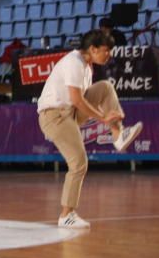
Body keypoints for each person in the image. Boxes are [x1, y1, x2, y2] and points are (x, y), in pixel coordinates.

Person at [38, 29, 143, 229]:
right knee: (78, 162)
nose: (109, 54)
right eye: (106, 50)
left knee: (105, 88)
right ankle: (66, 215)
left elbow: (82, 100)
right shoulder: (74, 63)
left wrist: (109, 119)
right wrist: (104, 118)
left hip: (69, 112)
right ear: (93, 49)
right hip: (54, 116)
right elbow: (77, 100)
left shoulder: (87, 66)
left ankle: (118, 134)